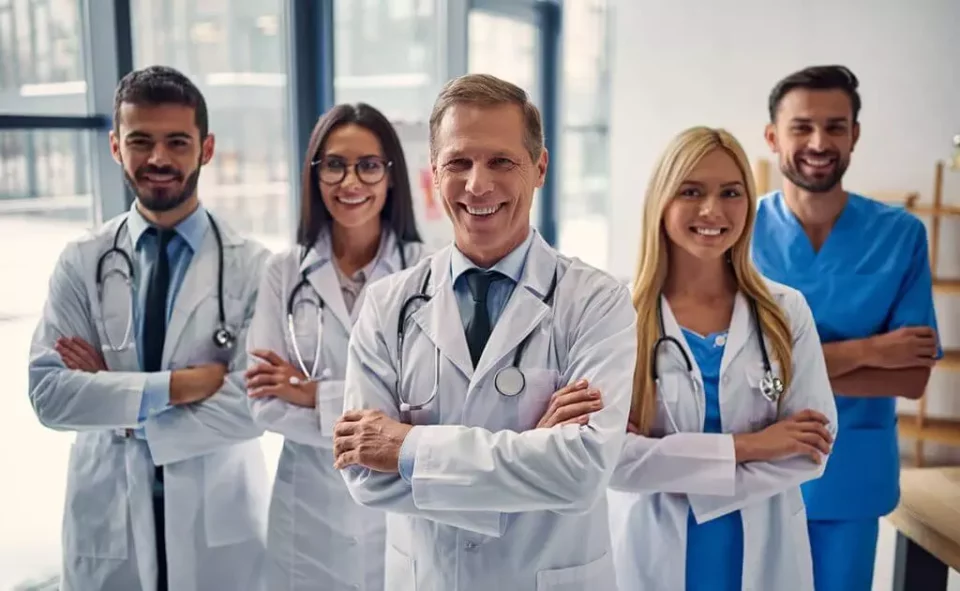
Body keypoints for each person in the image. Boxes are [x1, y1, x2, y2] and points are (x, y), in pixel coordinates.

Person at [330, 73, 637, 590]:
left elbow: (582, 472)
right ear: (433, 172)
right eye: (458, 162)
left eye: (501, 161)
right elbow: (363, 474)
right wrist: (530, 455)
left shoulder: (597, 302)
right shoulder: (388, 305)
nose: (477, 184)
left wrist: (407, 448)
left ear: (539, 168)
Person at [27, 66, 270, 591]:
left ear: (205, 149)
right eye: (141, 141)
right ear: (117, 147)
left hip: (219, 526)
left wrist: (118, 404)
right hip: (109, 522)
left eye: (176, 142)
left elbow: (255, 405)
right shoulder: (80, 261)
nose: (158, 158)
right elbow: (49, 394)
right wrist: (178, 387)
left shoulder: (253, 266)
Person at [606, 126, 838, 591]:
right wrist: (753, 446)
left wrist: (668, 463)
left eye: (730, 193)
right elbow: (610, 461)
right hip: (650, 551)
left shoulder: (784, 311)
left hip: (762, 550)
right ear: (662, 202)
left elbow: (811, 449)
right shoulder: (617, 316)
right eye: (691, 191)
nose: (712, 210)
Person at [752, 65, 942, 591]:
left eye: (836, 127)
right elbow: (731, 370)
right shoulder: (738, 232)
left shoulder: (899, 235)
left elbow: (911, 380)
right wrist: (872, 349)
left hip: (850, 473)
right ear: (772, 137)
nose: (819, 142)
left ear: (855, 135)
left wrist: (784, 373)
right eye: (802, 127)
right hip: (753, 470)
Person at [243, 102, 431, 591]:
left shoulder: (427, 275)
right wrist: (377, 423)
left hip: (397, 505)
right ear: (314, 174)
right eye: (334, 164)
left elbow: (427, 407)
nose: (351, 182)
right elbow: (264, 406)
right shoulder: (283, 272)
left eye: (368, 165)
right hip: (307, 514)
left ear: (391, 176)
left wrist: (313, 395)